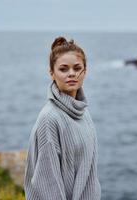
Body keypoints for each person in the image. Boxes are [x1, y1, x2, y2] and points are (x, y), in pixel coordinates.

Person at [24, 36, 101, 200]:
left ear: (85, 72)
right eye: (63, 69)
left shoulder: (83, 112)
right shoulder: (50, 119)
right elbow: (47, 186)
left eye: (77, 68)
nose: (71, 74)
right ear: (52, 73)